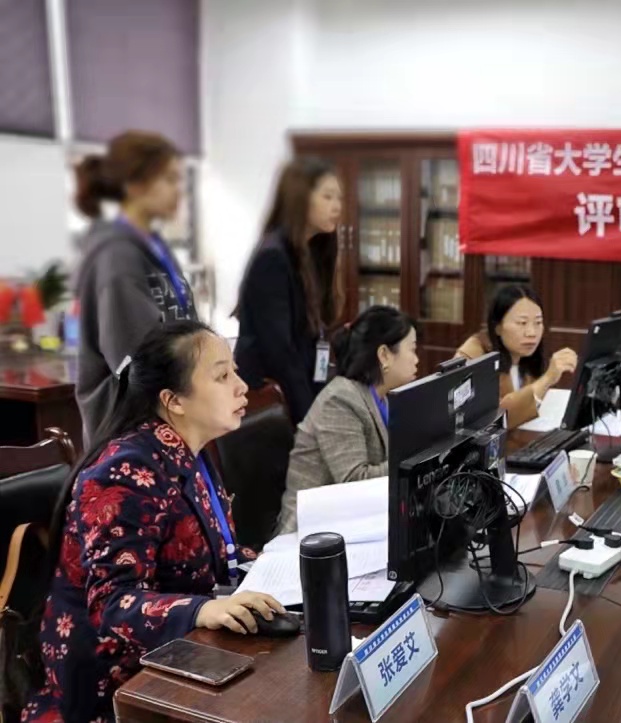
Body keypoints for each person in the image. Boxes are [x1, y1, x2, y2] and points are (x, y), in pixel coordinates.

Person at [22, 321, 284, 723]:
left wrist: (277, 563)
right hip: (115, 681)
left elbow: (216, 551)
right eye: (222, 376)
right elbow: (112, 604)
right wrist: (202, 611)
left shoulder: (190, 450)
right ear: (173, 400)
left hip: (183, 650)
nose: (241, 386)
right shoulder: (123, 473)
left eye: (234, 371)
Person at [73, 131, 195, 442]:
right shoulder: (117, 255)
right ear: (135, 185)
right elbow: (137, 359)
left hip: (170, 415)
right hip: (131, 431)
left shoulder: (154, 246)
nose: (178, 191)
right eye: (169, 179)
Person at [277, 306, 419, 533]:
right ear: (384, 355)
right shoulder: (340, 399)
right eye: (412, 350)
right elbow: (355, 481)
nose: (416, 359)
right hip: (310, 531)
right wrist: (415, 457)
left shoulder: (383, 398)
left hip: (355, 521)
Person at [234, 158, 343, 424]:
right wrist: (310, 421)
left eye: (339, 198)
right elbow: (280, 353)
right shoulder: (273, 257)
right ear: (300, 198)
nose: (337, 206)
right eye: (327, 196)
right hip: (272, 399)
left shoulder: (312, 252)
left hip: (302, 387)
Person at [455, 284, 577, 429]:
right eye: (522, 323)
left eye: (538, 322)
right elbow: (492, 420)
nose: (531, 333)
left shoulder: (529, 356)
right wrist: (547, 380)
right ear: (497, 327)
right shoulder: (471, 357)